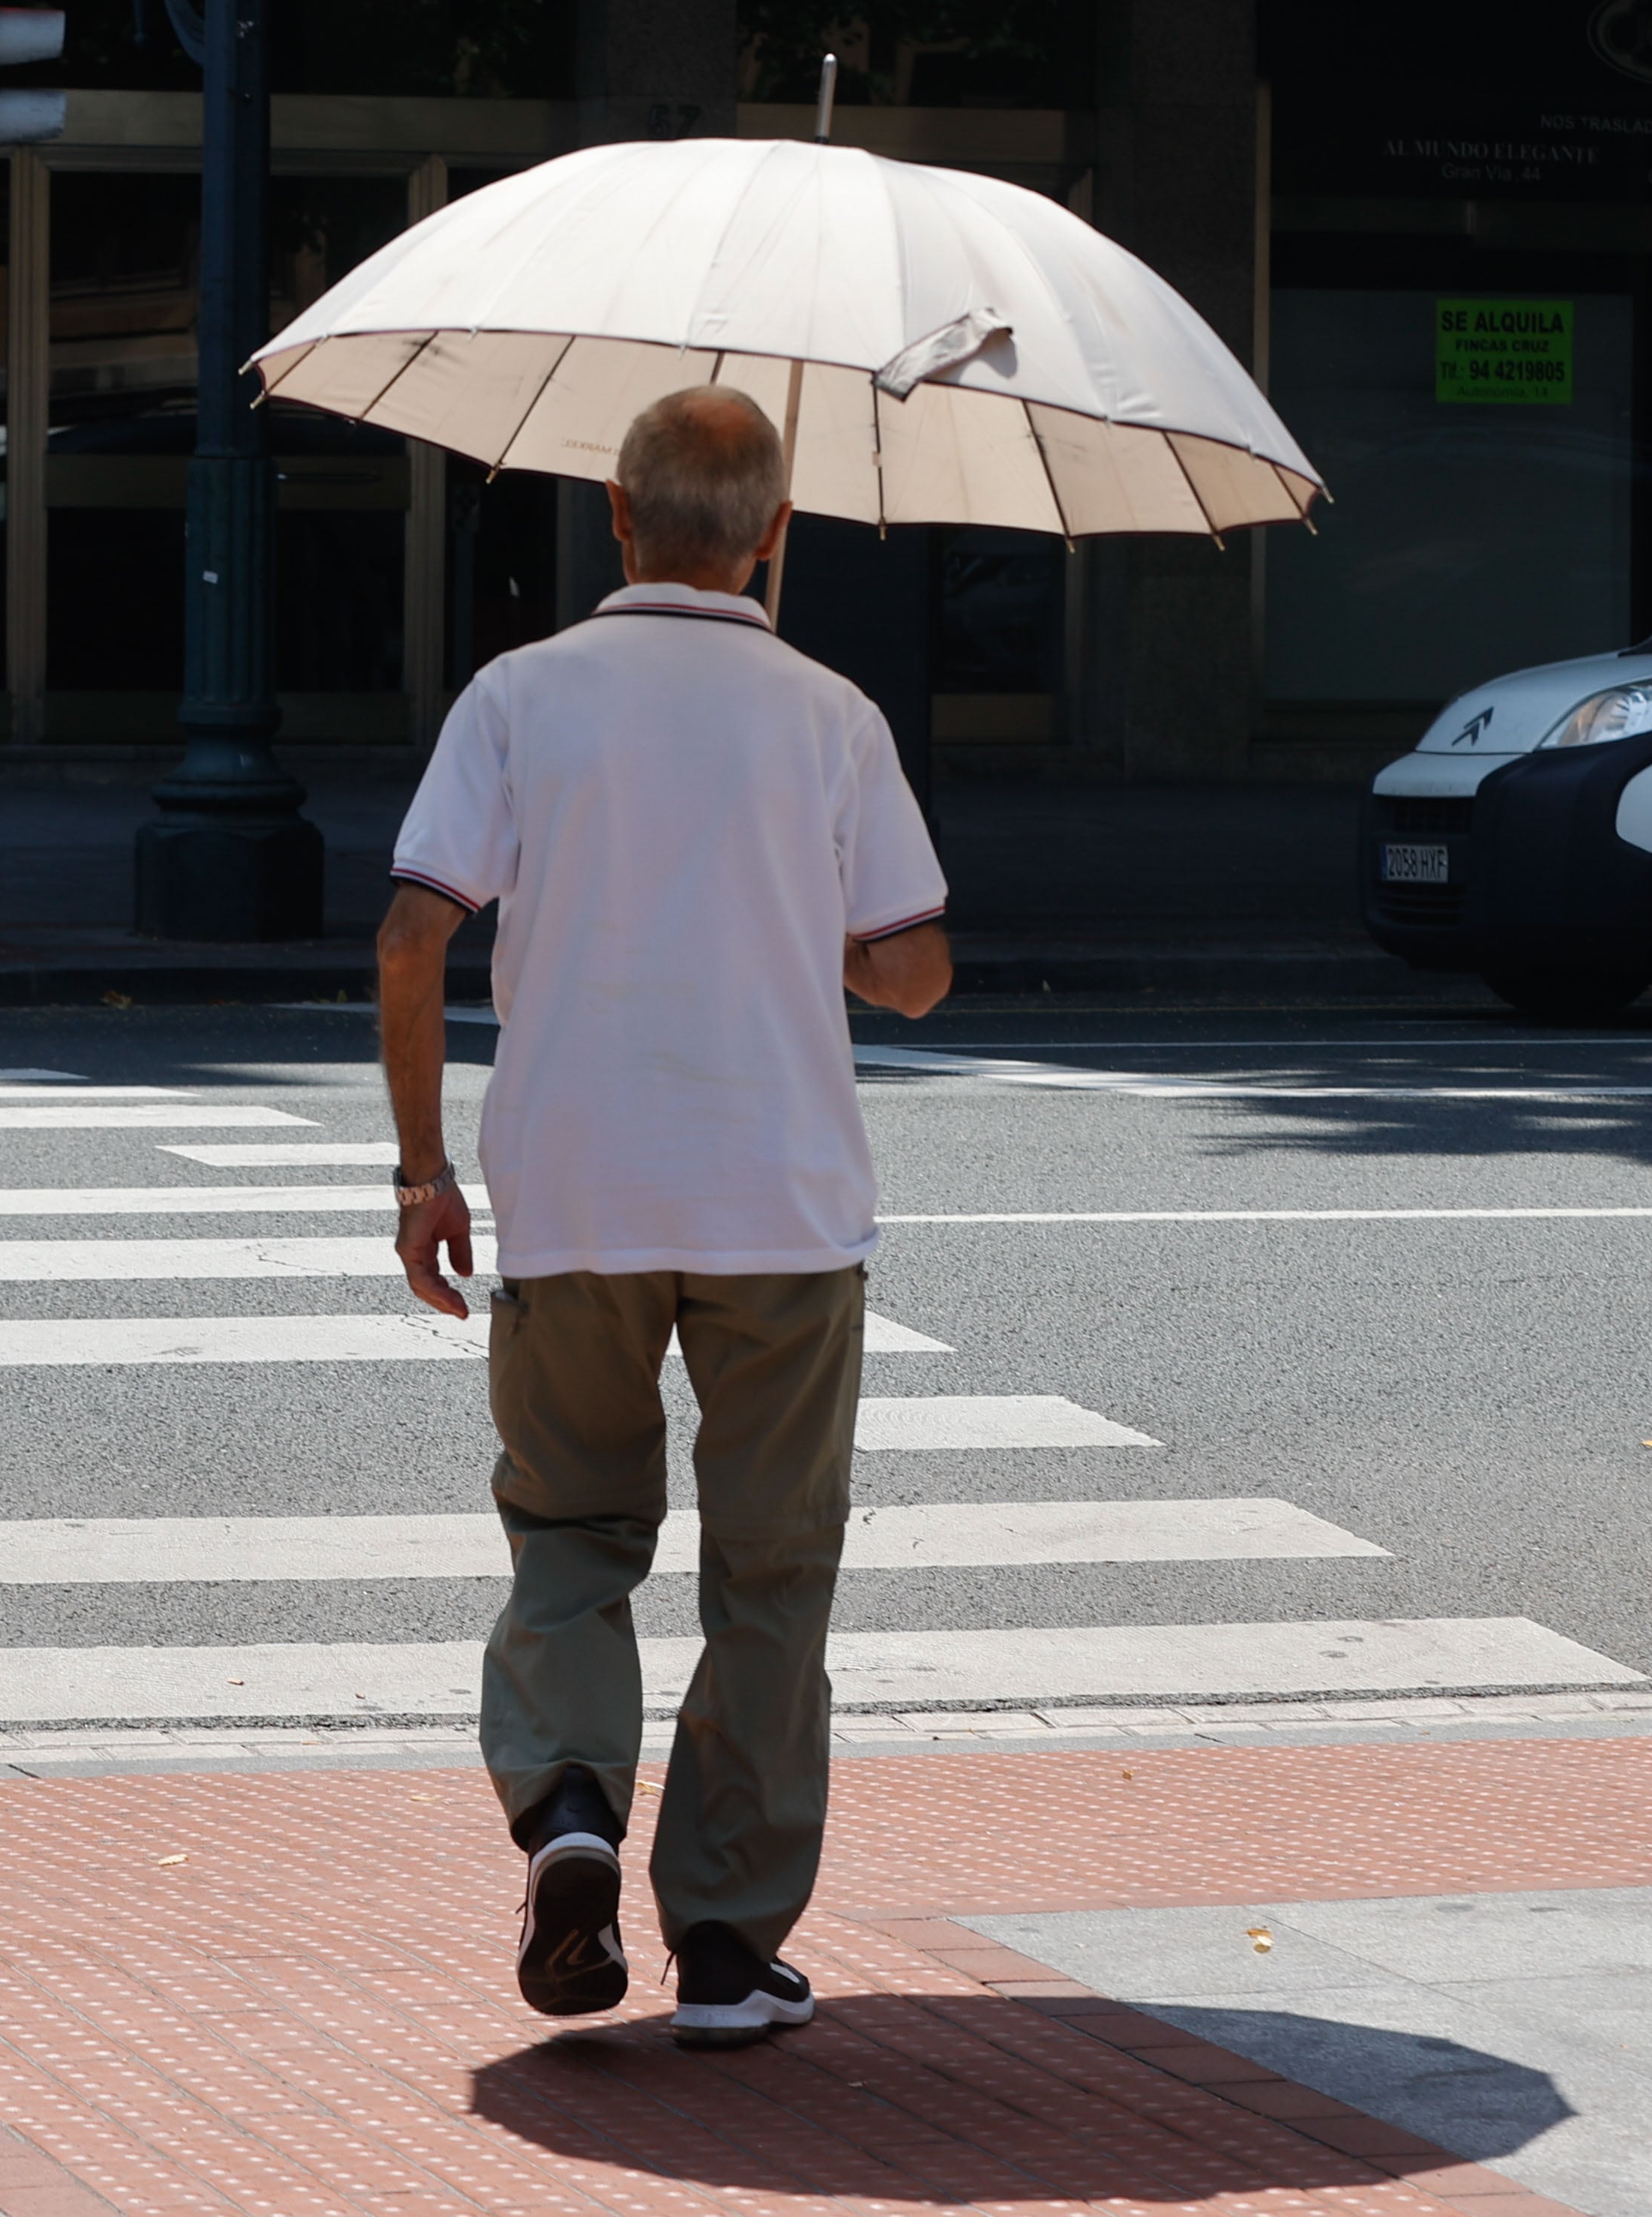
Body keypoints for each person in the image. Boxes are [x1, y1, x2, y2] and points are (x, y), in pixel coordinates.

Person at [376, 385, 952, 2049]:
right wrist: (807, 925)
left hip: (571, 1197)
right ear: (773, 537)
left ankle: (566, 1807)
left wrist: (423, 1172)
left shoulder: (519, 696)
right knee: (772, 1576)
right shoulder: (831, 714)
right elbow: (913, 970)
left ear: (616, 523)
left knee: (569, 1534)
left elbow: (414, 936)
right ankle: (719, 1940)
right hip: (779, 1205)